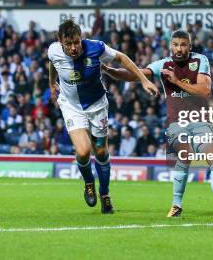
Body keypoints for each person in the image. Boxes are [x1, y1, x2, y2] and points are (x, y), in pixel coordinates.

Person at [103, 30, 213, 220]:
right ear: (170, 46)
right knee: (186, 154)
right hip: (176, 122)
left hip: (201, 121)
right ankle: (177, 204)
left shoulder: (200, 61)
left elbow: (204, 90)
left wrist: (175, 81)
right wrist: (109, 71)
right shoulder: (163, 64)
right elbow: (135, 74)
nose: (179, 48)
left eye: (183, 44)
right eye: (175, 44)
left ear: (190, 47)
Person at [48, 19, 158, 214]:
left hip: (97, 104)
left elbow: (122, 57)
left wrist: (143, 80)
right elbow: (53, 64)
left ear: (81, 38)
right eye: (69, 43)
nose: (74, 47)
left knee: (100, 152)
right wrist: (52, 83)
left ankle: (105, 194)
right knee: (83, 151)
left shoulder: (96, 47)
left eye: (76, 42)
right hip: (72, 106)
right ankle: (89, 182)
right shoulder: (53, 50)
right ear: (60, 41)